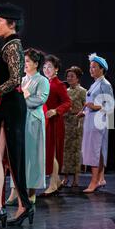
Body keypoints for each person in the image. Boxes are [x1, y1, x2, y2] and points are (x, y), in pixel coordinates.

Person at [0, 3, 33, 229]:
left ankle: (0, 210)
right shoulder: (9, 46)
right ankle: (15, 206)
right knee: (1, 156)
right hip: (6, 105)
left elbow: (14, 80)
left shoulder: (13, 46)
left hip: (10, 106)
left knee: (3, 156)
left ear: (11, 23)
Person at [6, 48, 49, 206]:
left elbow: (40, 100)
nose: (25, 64)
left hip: (34, 121)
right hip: (19, 120)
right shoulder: (21, 80)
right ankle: (14, 191)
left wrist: (23, 99)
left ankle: (31, 192)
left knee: (33, 156)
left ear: (36, 64)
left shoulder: (42, 80)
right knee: (17, 156)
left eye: (28, 61)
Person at [38, 55, 72, 197]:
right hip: (44, 121)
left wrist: (56, 110)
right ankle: (56, 181)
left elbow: (67, 103)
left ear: (56, 69)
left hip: (54, 122)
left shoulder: (58, 84)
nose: (46, 70)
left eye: (50, 67)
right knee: (47, 152)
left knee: (52, 152)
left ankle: (52, 184)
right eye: (44, 67)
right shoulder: (44, 82)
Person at [80, 53, 115, 193]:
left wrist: (94, 107)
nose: (91, 69)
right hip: (91, 120)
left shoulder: (105, 84)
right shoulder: (95, 84)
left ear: (102, 69)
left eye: (94, 67)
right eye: (90, 67)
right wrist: (84, 111)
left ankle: (94, 182)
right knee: (96, 151)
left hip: (99, 122)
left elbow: (111, 105)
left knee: (95, 151)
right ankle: (100, 178)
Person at [62, 66, 87, 187]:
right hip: (66, 122)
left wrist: (79, 112)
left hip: (77, 122)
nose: (69, 78)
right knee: (66, 150)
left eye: (72, 76)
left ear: (77, 78)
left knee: (76, 150)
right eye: (68, 76)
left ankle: (76, 178)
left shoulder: (82, 91)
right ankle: (65, 177)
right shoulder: (65, 91)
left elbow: (86, 106)